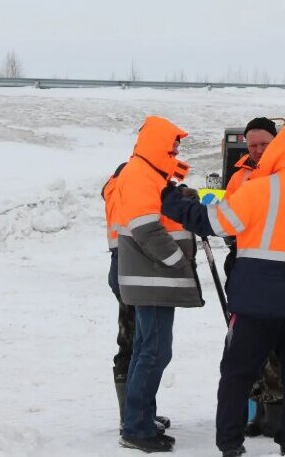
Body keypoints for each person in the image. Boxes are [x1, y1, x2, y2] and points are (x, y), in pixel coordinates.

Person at [161, 123, 285, 457]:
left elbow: (212, 223)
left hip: (253, 305)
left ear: (277, 151)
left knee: (237, 375)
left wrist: (174, 204)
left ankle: (231, 444)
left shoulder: (256, 189)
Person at [115, 115, 204, 453]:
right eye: (174, 144)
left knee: (148, 351)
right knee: (153, 352)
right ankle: (136, 427)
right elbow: (146, 228)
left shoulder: (150, 175)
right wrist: (178, 263)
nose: (177, 150)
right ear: (158, 143)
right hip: (151, 278)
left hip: (152, 279)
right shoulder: (139, 174)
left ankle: (141, 419)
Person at [223, 117, 282, 438]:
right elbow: (227, 218)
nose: (258, 151)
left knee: (276, 344)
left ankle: (275, 411)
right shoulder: (239, 178)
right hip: (243, 268)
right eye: (253, 145)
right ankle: (251, 409)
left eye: (264, 144)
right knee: (244, 343)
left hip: (279, 269)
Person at [103, 162, 171, 436]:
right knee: (138, 345)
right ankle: (133, 416)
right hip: (132, 266)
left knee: (136, 342)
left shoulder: (116, 182)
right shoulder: (133, 181)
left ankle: (140, 413)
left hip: (122, 264)